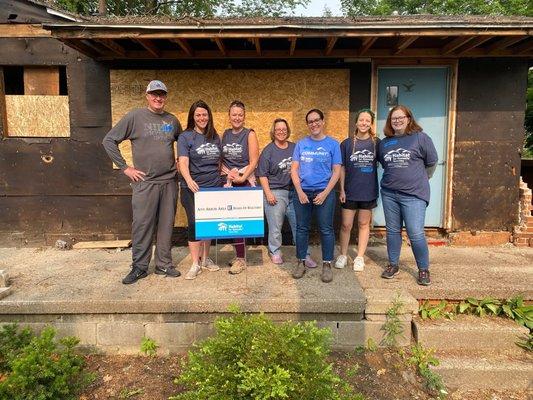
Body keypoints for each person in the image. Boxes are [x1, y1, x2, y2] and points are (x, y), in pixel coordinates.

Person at [102, 80, 182, 284]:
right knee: (142, 225)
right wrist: (125, 168)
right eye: (154, 94)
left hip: (169, 182)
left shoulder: (172, 120)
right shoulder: (135, 116)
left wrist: (181, 161)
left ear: (166, 97)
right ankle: (139, 267)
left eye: (162, 94)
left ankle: (164, 264)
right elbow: (109, 140)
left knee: (166, 225)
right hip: (145, 183)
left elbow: (183, 143)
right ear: (147, 96)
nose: (158, 98)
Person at [378, 105, 438, 286]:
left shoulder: (420, 138)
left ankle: (423, 269)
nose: (397, 121)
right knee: (392, 231)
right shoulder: (384, 143)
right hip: (389, 193)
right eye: (393, 118)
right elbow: (384, 163)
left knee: (416, 233)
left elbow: (432, 162)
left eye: (400, 117)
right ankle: (393, 264)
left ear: (409, 118)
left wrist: (423, 178)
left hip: (414, 195)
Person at [256, 118, 317, 268]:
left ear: (287, 131)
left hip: (295, 192)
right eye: (278, 129)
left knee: (299, 225)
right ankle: (275, 251)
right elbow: (262, 174)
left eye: (284, 129)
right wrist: (268, 193)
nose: (281, 132)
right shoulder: (268, 150)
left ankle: (304, 254)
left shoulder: (295, 148)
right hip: (276, 192)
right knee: (276, 226)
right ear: (273, 132)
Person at [291, 109, 341, 283]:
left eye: (317, 120)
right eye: (310, 121)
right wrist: (299, 191)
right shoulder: (301, 144)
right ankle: (301, 262)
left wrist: (325, 193)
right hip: (302, 192)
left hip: (324, 193)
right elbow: (294, 169)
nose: (314, 124)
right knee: (302, 228)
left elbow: (336, 171)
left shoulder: (333, 145)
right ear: (307, 124)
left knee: (326, 229)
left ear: (323, 121)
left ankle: (327, 264)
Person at [178, 100, 222, 280]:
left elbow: (219, 162)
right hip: (193, 188)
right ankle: (195, 263)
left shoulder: (214, 136)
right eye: (198, 115)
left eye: (204, 114)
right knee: (195, 224)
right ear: (193, 117)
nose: (202, 118)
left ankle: (206, 259)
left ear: (208, 116)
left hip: (213, 186)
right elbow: (183, 161)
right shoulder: (185, 137)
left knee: (209, 224)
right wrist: (188, 180)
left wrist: (229, 176)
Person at [336, 109, 380, 272]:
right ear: (356, 122)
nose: (364, 123)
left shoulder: (377, 143)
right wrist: (342, 190)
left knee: (363, 224)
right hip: (350, 191)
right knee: (346, 225)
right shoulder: (346, 144)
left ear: (371, 123)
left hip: (368, 192)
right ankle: (343, 254)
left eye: (367, 120)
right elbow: (341, 168)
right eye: (361, 120)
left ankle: (360, 257)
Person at [221, 100, 259, 274]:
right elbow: (221, 159)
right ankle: (238, 255)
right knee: (231, 220)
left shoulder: (249, 134)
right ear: (229, 117)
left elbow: (254, 161)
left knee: (240, 221)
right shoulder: (225, 134)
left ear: (244, 116)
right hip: (229, 181)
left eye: (240, 115)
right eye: (234, 114)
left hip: (244, 181)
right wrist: (229, 175)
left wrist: (241, 177)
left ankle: (242, 259)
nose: (237, 118)